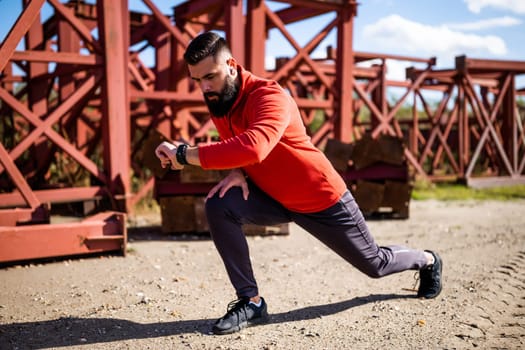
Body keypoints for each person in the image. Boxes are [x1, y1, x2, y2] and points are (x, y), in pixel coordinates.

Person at [155, 31, 443, 335]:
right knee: (219, 204)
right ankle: (250, 302)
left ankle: (427, 260)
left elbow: (254, 145)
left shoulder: (269, 96)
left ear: (232, 64)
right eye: (197, 80)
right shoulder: (221, 100)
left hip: (321, 198)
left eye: (210, 76)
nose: (205, 87)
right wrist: (238, 171)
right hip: (273, 197)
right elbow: (237, 145)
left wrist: (185, 154)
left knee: (375, 264)